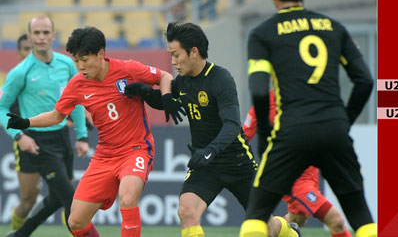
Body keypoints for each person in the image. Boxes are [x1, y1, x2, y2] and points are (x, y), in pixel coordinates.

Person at [6, 26, 185, 237]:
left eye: (84, 59)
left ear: (100, 54)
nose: (80, 66)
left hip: (136, 149)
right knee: (76, 221)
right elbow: (56, 116)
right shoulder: (77, 85)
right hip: (105, 156)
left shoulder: (128, 69)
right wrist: (26, 122)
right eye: (76, 61)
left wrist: (166, 97)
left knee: (127, 199)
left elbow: (164, 76)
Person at [126, 21, 300, 237]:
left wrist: (210, 150)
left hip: (237, 162)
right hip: (205, 164)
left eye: (176, 54)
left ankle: (290, 232)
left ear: (194, 52)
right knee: (186, 211)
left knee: (266, 226)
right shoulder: (183, 82)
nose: (173, 62)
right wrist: (145, 92)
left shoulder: (220, 78)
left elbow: (232, 125)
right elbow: (164, 102)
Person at [239, 0, 377, 237]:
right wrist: (343, 121)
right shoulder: (334, 28)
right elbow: (365, 81)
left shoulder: (262, 34)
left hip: (292, 132)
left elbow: (257, 89)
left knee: (256, 218)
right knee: (361, 218)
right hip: (334, 128)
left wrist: (267, 138)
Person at [0, 16, 90, 237]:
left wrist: (81, 135)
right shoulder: (21, 72)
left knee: (59, 197)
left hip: (61, 137)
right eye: (37, 33)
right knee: (71, 198)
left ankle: (19, 235)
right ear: (29, 37)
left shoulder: (67, 65)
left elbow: (76, 102)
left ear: (53, 35)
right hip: (36, 141)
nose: (41, 37)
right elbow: (2, 108)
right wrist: (19, 136)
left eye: (45, 32)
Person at [243, 90, 352, 237]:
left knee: (298, 218)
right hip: (292, 178)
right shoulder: (263, 104)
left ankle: (284, 230)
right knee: (336, 221)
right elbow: (243, 137)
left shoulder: (306, 98)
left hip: (311, 173)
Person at [0, 34, 36, 231]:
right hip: (27, 141)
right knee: (28, 200)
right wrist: (20, 136)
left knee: (67, 195)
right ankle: (16, 232)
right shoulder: (14, 79)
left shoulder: (53, 73)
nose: (30, 52)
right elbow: (4, 112)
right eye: (25, 48)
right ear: (18, 53)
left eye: (32, 48)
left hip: (56, 139)